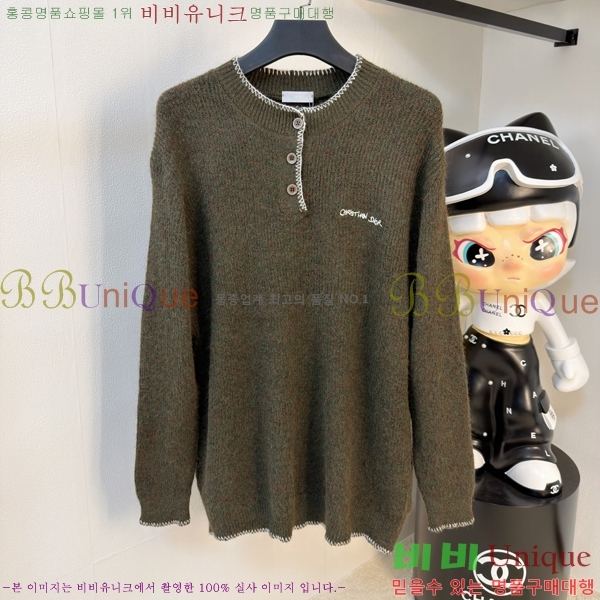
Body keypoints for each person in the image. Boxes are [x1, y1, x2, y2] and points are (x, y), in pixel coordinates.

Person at [444, 113, 589, 497]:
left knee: (522, 403)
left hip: (520, 359)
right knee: (468, 400)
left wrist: (569, 360)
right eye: (479, 253)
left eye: (540, 245)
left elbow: (555, 332)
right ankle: (467, 442)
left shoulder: (537, 301)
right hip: (474, 353)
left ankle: (524, 450)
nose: (512, 265)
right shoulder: (468, 295)